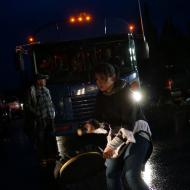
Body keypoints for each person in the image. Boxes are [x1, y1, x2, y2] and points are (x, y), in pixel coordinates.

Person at [82, 63, 153, 190]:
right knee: (111, 174)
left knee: (131, 175)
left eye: (103, 79)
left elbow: (128, 125)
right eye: (97, 79)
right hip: (117, 136)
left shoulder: (127, 92)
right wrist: (91, 125)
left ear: (113, 78)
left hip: (136, 133)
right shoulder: (101, 96)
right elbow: (98, 117)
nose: (99, 82)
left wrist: (111, 146)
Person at [24, 73, 57, 165]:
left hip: (50, 118)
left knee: (51, 138)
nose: (45, 81)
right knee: (41, 140)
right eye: (43, 79)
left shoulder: (46, 89)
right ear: (38, 81)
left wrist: (53, 112)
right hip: (40, 119)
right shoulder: (32, 90)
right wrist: (36, 114)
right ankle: (43, 159)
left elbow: (50, 102)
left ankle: (53, 156)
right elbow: (27, 105)